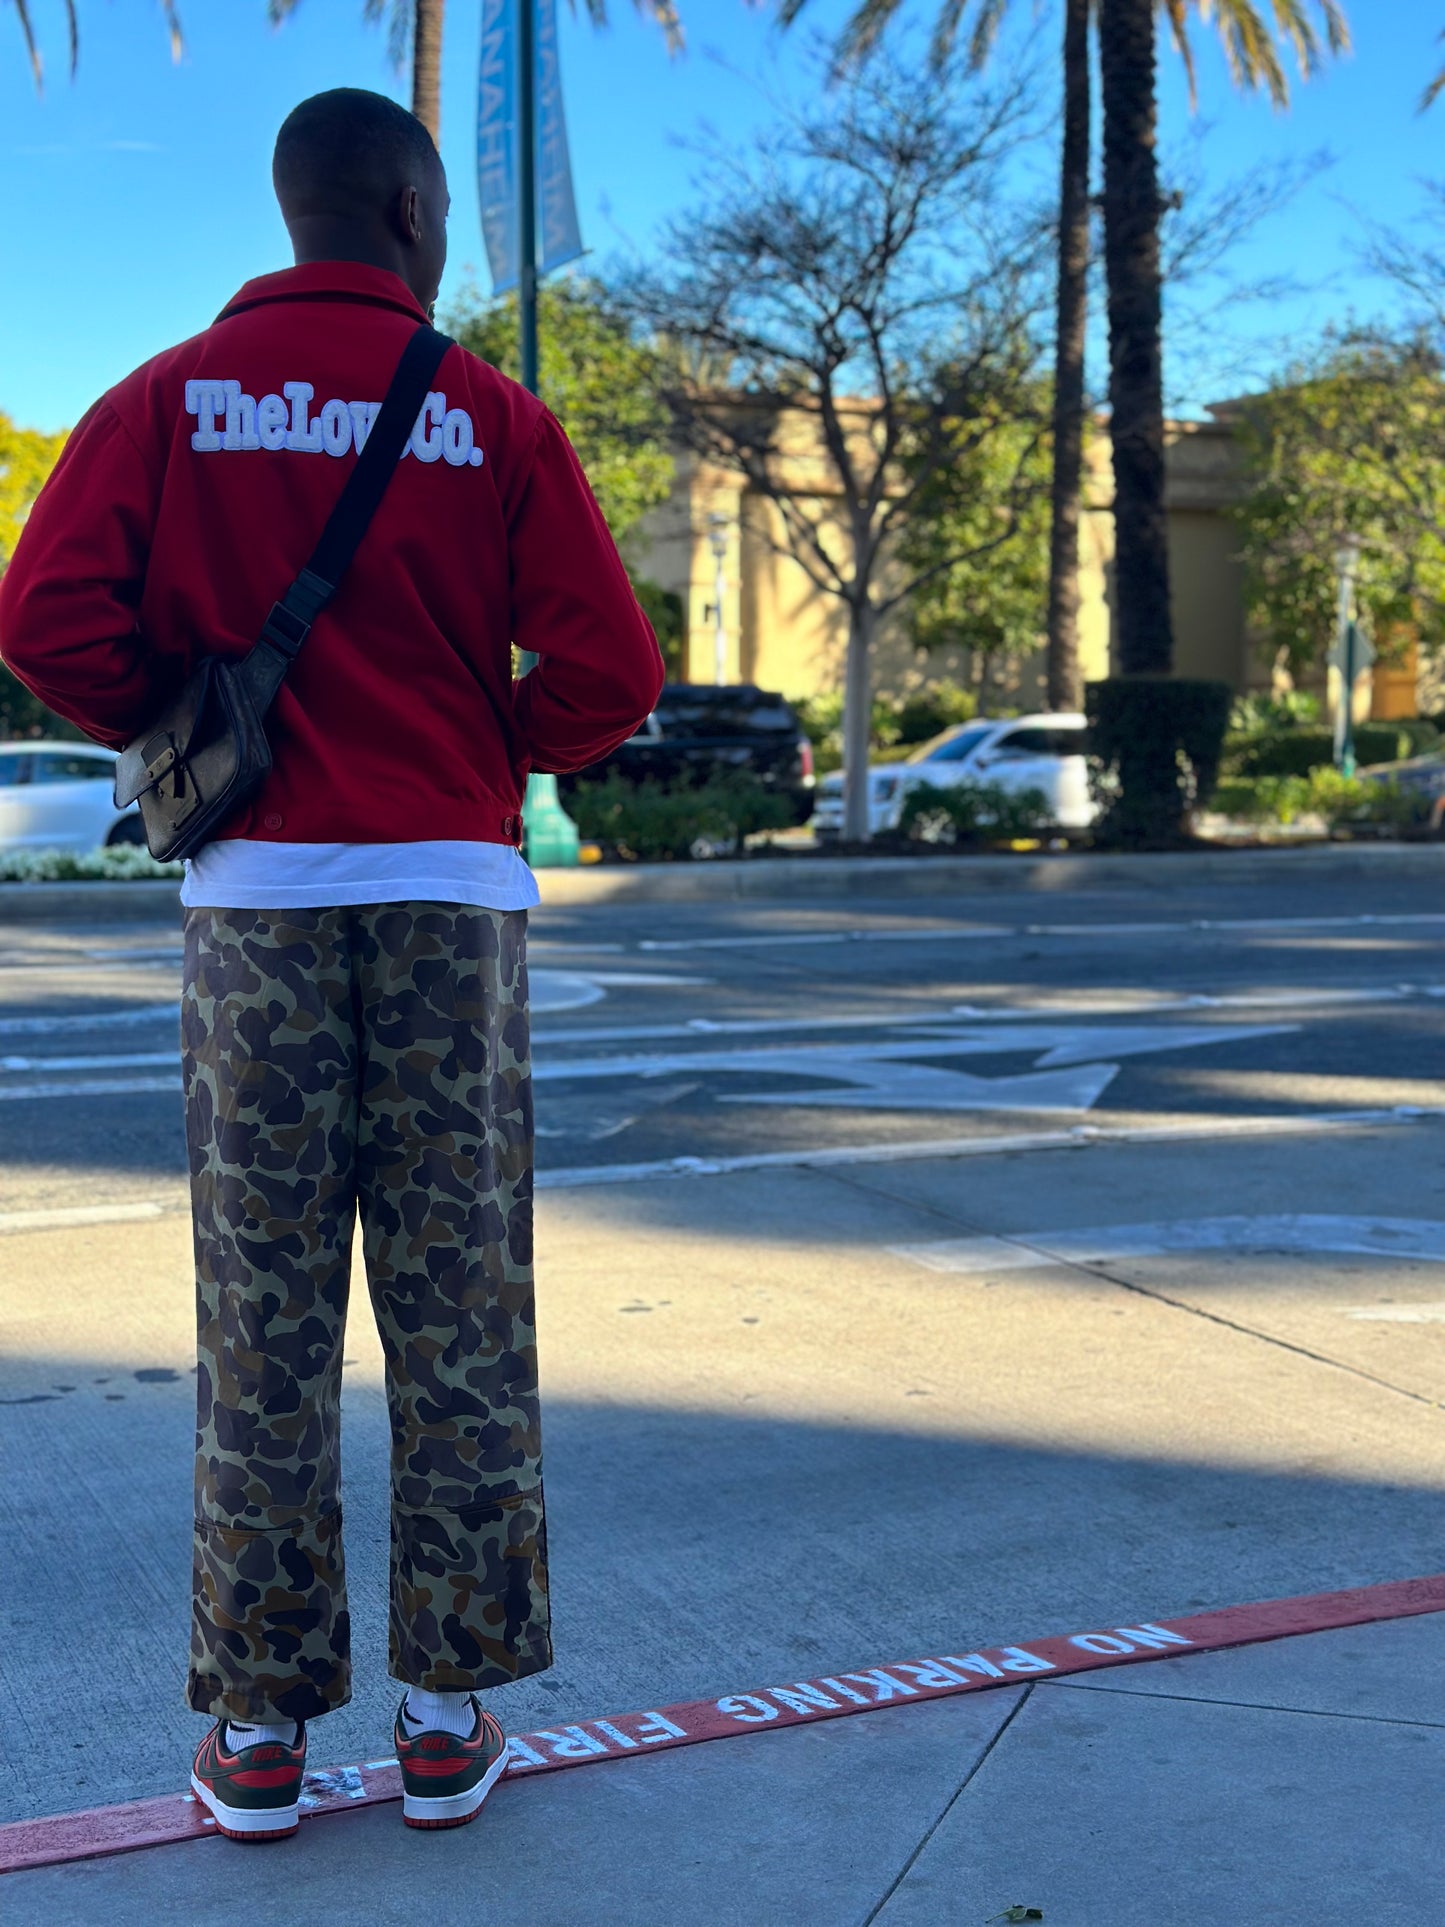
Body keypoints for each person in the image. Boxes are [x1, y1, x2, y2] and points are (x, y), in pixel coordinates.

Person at [0, 87, 663, 1840]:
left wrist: (182, 723)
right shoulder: (490, 415)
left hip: (257, 908)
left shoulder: (164, 401)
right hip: (453, 902)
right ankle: (445, 1716)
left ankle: (263, 1736)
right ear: (414, 211)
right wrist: (474, 744)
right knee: (460, 1305)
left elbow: (39, 618)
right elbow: (613, 672)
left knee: (262, 1320)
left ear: (295, 214)